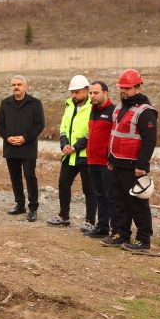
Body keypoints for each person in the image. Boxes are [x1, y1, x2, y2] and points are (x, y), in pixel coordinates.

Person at [101, 69, 158, 254]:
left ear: (138, 87)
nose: (123, 91)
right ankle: (121, 234)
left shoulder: (146, 112)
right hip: (117, 163)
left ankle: (143, 240)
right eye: (121, 87)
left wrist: (142, 165)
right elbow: (114, 135)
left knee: (138, 204)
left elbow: (149, 141)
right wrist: (110, 158)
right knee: (120, 202)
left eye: (127, 87)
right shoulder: (119, 108)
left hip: (134, 166)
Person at [48, 75, 96, 228]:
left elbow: (92, 133)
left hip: (85, 155)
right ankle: (64, 216)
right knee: (63, 184)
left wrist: (75, 147)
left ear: (86, 91)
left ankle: (90, 221)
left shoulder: (93, 107)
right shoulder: (69, 106)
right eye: (72, 92)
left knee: (89, 189)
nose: (74, 95)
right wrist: (64, 145)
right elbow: (63, 128)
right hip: (68, 154)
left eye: (77, 92)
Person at [0, 75, 44, 221]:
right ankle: (19, 205)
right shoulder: (5, 103)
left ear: (25, 86)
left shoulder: (35, 103)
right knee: (15, 177)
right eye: (13, 84)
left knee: (30, 176)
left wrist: (25, 138)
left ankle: (33, 207)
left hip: (28, 146)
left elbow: (39, 124)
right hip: (10, 146)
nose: (16, 87)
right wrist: (8, 137)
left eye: (19, 84)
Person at [85, 81, 117, 238]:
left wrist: (111, 158)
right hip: (92, 161)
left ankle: (116, 231)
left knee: (110, 197)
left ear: (106, 93)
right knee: (99, 196)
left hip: (106, 163)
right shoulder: (93, 110)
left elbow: (115, 138)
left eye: (96, 93)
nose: (93, 96)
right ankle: (102, 227)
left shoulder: (114, 111)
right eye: (91, 93)